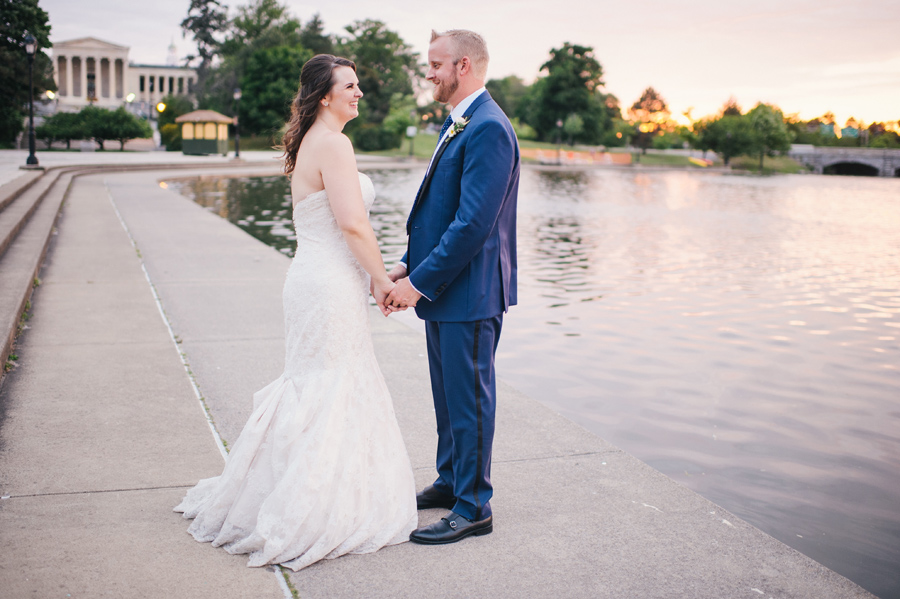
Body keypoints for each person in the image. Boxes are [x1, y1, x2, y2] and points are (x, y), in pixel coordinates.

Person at [174, 54, 417, 570]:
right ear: (324, 96)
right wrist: (380, 280)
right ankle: (311, 509)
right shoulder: (334, 143)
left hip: (315, 279)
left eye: (358, 85)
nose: (358, 93)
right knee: (330, 384)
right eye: (349, 86)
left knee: (317, 382)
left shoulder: (314, 141)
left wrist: (372, 275)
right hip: (327, 285)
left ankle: (296, 492)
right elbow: (353, 224)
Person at [385, 29, 519, 544]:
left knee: (471, 400)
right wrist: (405, 265)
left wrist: (418, 285)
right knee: (447, 398)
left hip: (470, 292)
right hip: (446, 290)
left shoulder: (487, 127)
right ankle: (449, 481)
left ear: (464, 65)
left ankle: (474, 505)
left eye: (435, 64)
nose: (428, 74)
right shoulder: (461, 121)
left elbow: (472, 225)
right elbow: (439, 215)